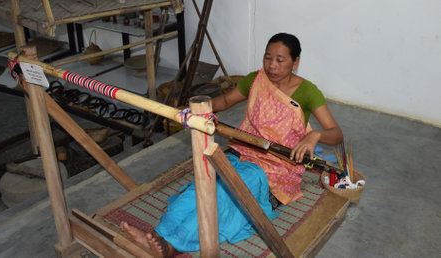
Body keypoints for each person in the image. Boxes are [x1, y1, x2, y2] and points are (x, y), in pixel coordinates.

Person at [120, 32, 343, 256]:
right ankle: (159, 235)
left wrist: (315, 136)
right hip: (244, 149)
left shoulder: (308, 92)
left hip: (277, 165)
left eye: (280, 60)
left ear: (295, 62)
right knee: (203, 183)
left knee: (225, 191)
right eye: (268, 58)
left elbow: (336, 133)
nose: (272, 66)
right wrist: (198, 110)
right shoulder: (256, 80)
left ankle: (170, 247)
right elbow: (225, 100)